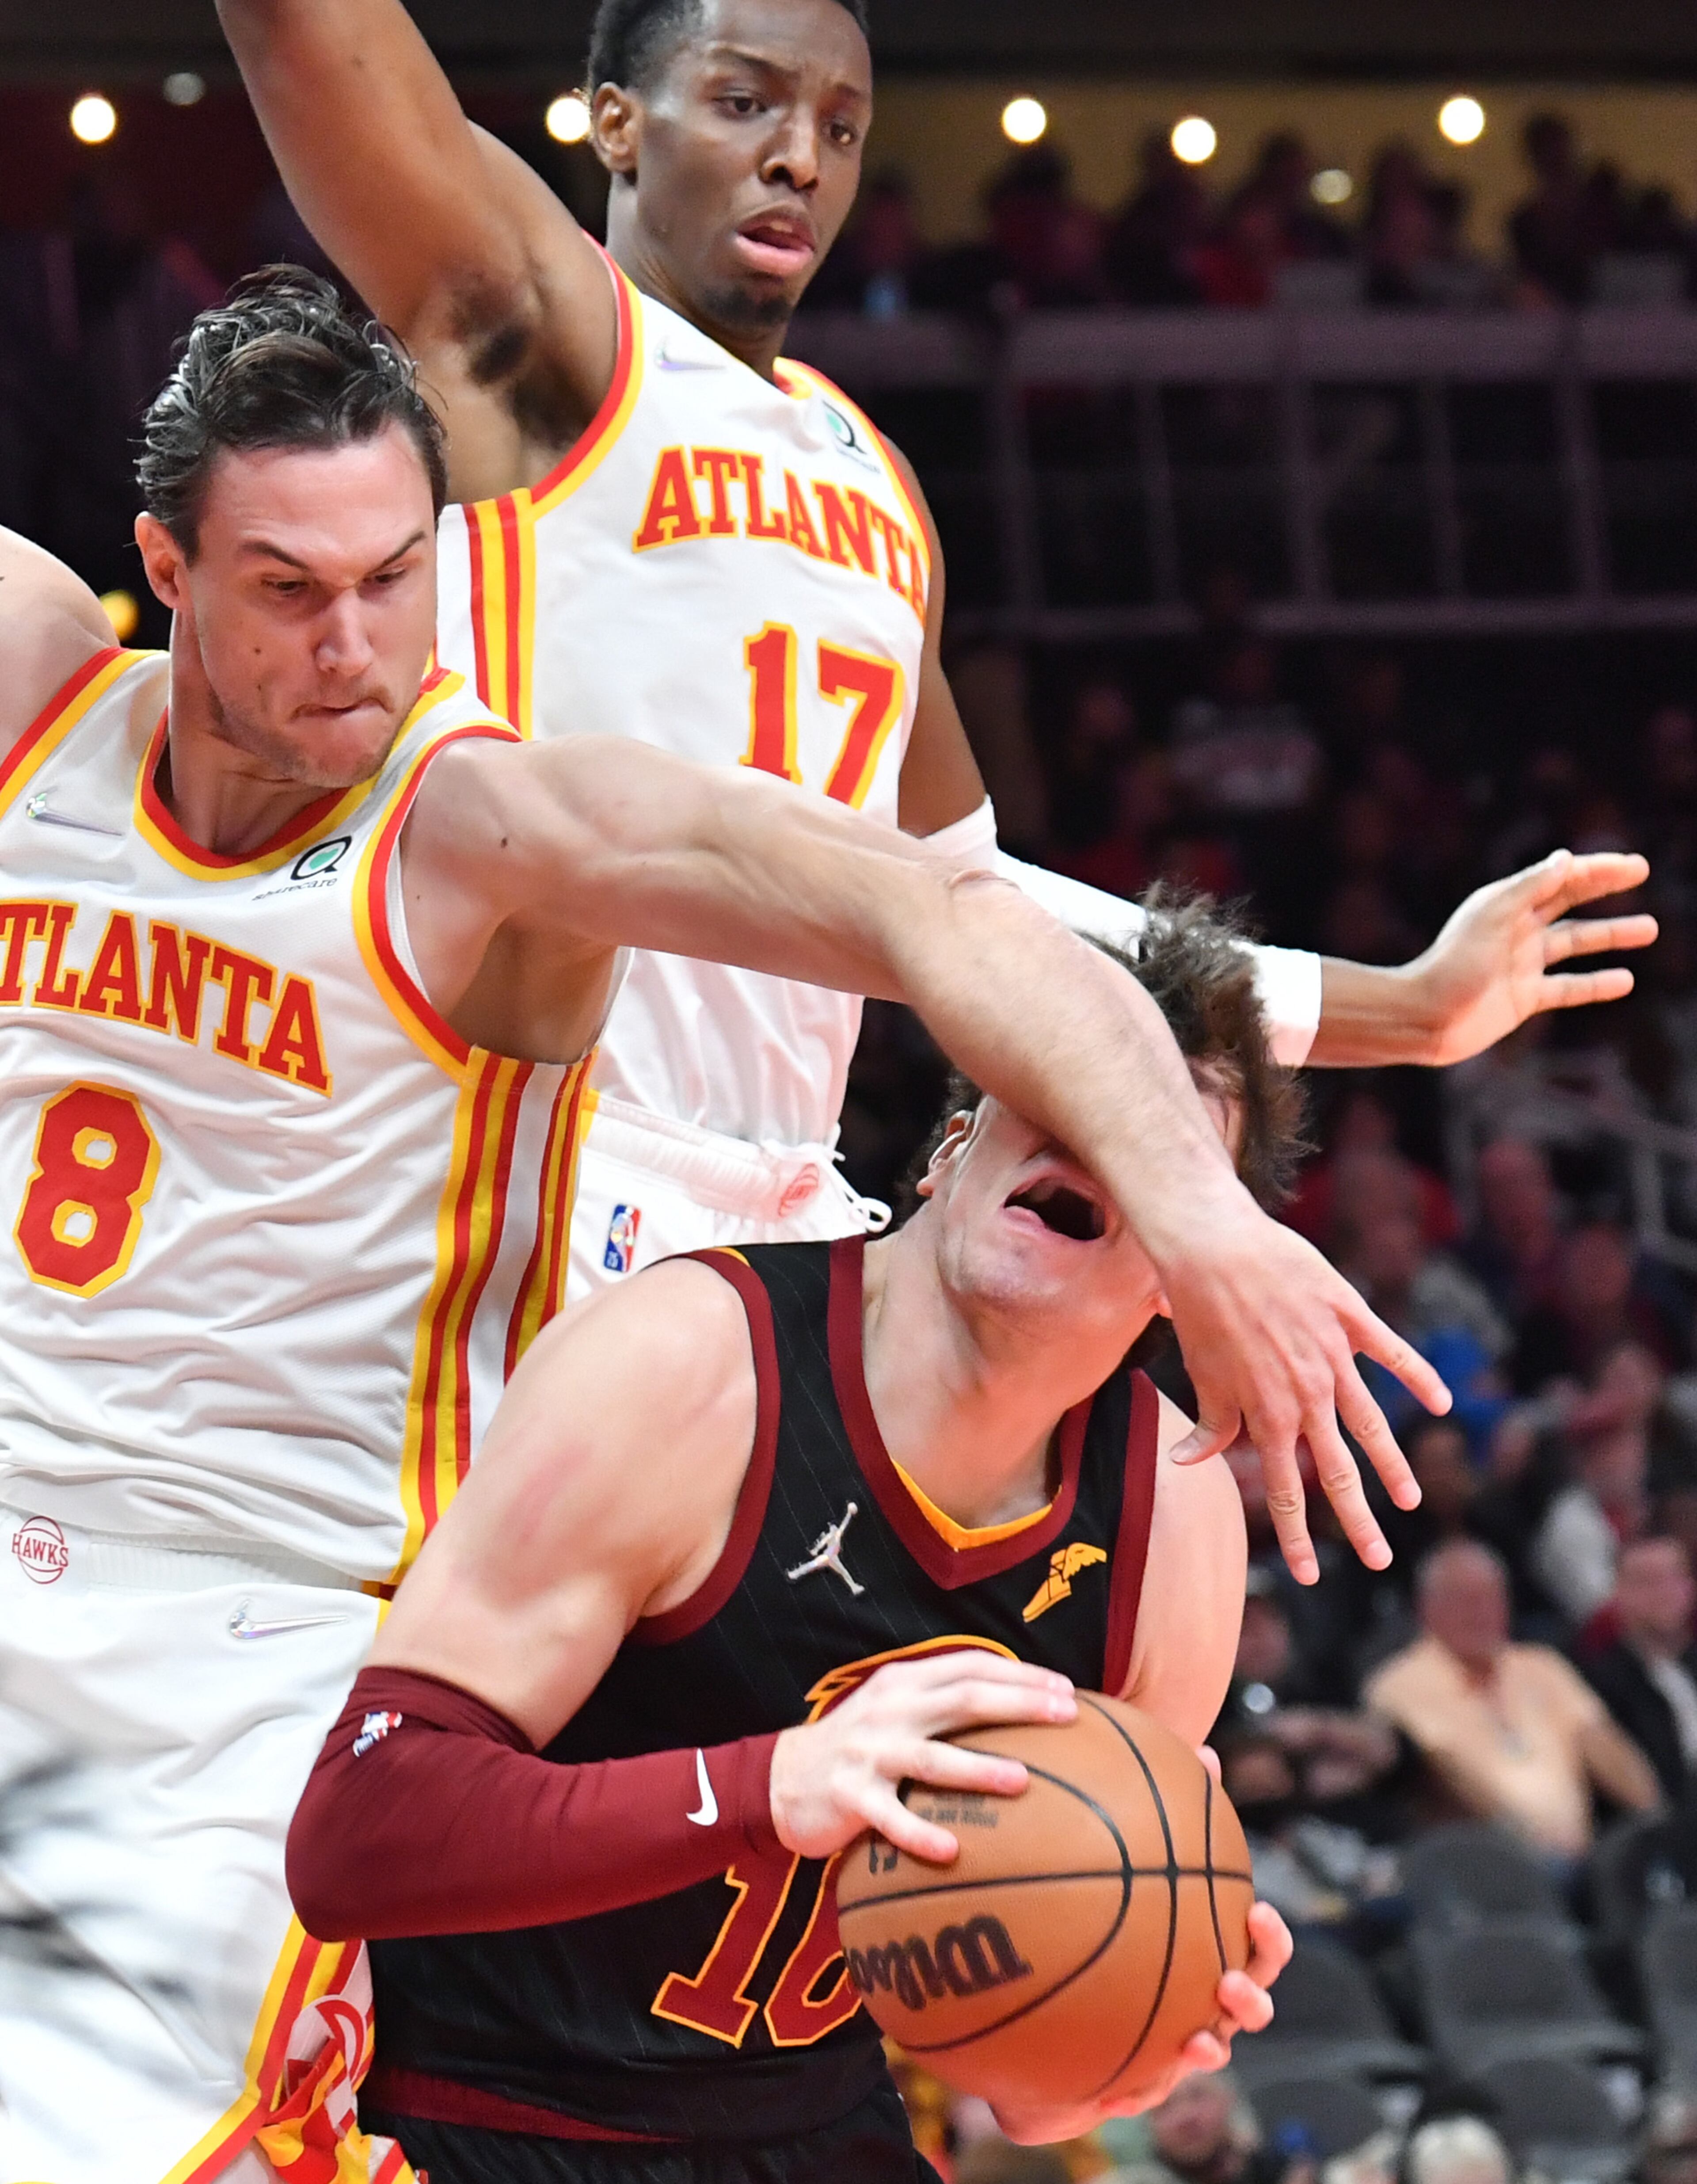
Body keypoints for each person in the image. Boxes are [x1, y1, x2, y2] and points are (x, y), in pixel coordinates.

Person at [0, 276, 1348, 2184]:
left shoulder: (489, 830)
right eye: (291, 590)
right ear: (166, 564)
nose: (355, 643)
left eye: (396, 577)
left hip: (254, 1629)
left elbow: (934, 918)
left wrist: (1198, 1217)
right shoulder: (39, 687)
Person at [218, 0, 1660, 1581]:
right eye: (748, 100)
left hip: (778, 1211)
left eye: (840, 127)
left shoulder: (876, 481)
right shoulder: (548, 341)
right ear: (617, 123)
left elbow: (973, 909)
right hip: (520, 1155)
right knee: (442, 1738)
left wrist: (1406, 1008)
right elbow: (312, 42)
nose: (798, 158)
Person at [282, 905, 1301, 2177]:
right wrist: (769, 1787)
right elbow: (357, 1832)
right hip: (497, 2116)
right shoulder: (692, 1363)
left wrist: (1135, 2021)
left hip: (812, 2130)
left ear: (1195, 1268)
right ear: (952, 1143)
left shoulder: (1176, 1507)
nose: (1097, 1143)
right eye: (1064, 1092)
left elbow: (1032, 2100)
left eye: (1154, 1147)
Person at [1364, 1541, 1661, 1863]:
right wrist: (1530, 1845)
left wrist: (1657, 1821)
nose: (1480, 1612)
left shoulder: (1541, 1665)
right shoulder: (1399, 1685)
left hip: (1583, 1857)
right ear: (1426, 1608)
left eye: (1491, 1597)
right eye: (1463, 1599)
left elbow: (1603, 1744)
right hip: (1489, 1864)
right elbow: (1446, 1778)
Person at [1579, 1534, 1697, 1803]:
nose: (1663, 1592)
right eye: (1647, 1582)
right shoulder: (1598, 1684)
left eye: (1673, 1578)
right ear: (1618, 1593)